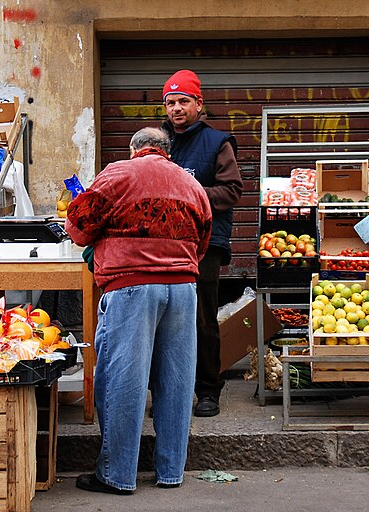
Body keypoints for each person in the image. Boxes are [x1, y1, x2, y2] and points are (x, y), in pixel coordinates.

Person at [65, 127, 212, 494]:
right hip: (183, 288)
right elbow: (203, 239)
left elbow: (80, 227)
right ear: (166, 151)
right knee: (176, 383)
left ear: (135, 150)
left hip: (131, 286)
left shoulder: (118, 173)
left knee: (122, 381)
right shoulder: (191, 184)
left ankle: (118, 475)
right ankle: (170, 472)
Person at [161, 69, 243, 418]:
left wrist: (188, 193)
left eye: (183, 101)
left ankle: (208, 389)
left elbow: (231, 190)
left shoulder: (217, 142)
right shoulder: (156, 140)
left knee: (201, 317)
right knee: (164, 318)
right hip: (161, 243)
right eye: (170, 103)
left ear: (198, 103)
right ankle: (167, 391)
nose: (177, 108)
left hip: (204, 243)